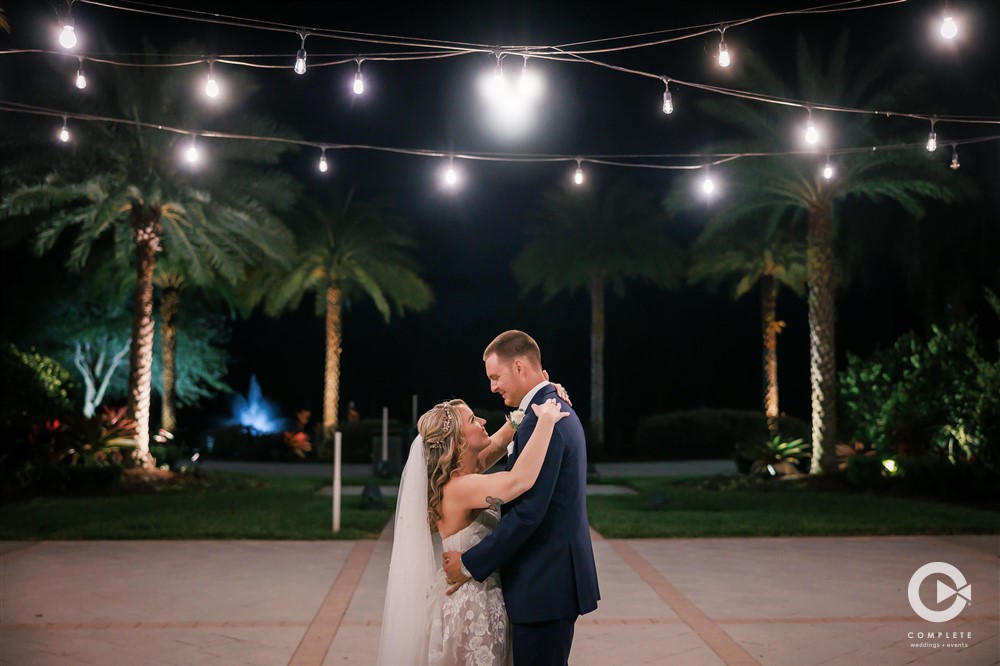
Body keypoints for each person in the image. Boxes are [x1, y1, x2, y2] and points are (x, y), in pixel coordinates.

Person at [443, 330, 600, 665]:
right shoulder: (545, 413)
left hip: (544, 584)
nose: (493, 387)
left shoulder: (543, 420)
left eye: (496, 377)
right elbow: (500, 454)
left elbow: (529, 512)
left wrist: (469, 565)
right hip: (549, 581)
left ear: (519, 366)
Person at [377, 396, 569, 666]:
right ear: (458, 442)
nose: (482, 421)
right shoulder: (460, 488)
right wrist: (547, 420)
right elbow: (519, 481)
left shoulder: (465, 474)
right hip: (471, 605)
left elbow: (500, 441)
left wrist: (537, 400)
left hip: (478, 592)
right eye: (472, 420)